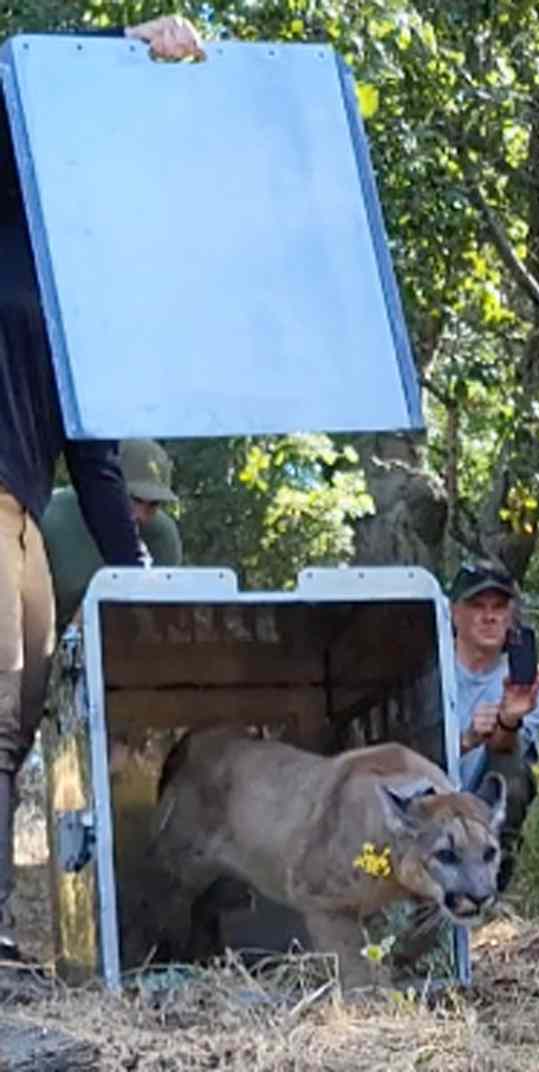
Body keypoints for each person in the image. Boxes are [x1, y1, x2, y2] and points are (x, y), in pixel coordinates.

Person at [0, 14, 205, 963]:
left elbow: (95, 455)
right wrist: (126, 41)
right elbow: (29, 82)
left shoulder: (88, 294)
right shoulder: (12, 212)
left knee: (15, 715)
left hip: (22, 514)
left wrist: (145, 590)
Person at [449, 561, 539, 891]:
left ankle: (493, 889)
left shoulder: (528, 683)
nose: (489, 616)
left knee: (515, 775)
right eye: (477, 606)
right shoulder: (429, 668)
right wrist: (467, 739)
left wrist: (508, 720)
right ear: (454, 614)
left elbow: (510, 760)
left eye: (499, 607)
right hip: (428, 797)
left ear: (511, 615)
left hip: (481, 804)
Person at [42, 438, 184, 634]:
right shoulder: (51, 518)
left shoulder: (162, 536)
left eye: (153, 504)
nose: (141, 515)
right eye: (134, 499)